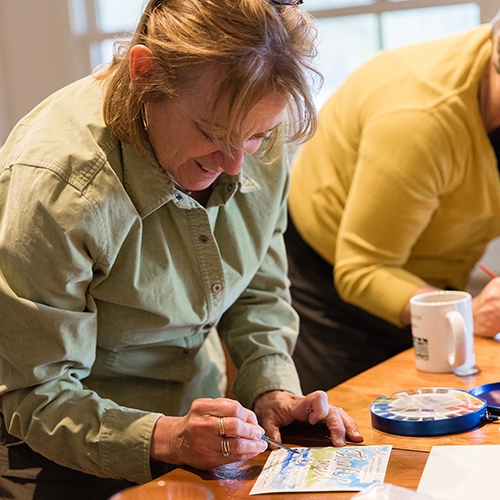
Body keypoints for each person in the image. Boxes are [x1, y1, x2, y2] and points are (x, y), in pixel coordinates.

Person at [0, 0, 363, 498]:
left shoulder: (257, 129)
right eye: (213, 135)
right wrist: (167, 436)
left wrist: (270, 388)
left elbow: (258, 285)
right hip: (59, 456)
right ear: (145, 74)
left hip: (200, 435)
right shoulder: (60, 186)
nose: (236, 165)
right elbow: (35, 395)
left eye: (255, 136)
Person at [286, 13, 500, 394]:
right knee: (345, 432)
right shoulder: (422, 118)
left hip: (432, 282)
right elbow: (363, 270)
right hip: (329, 286)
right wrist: (462, 315)